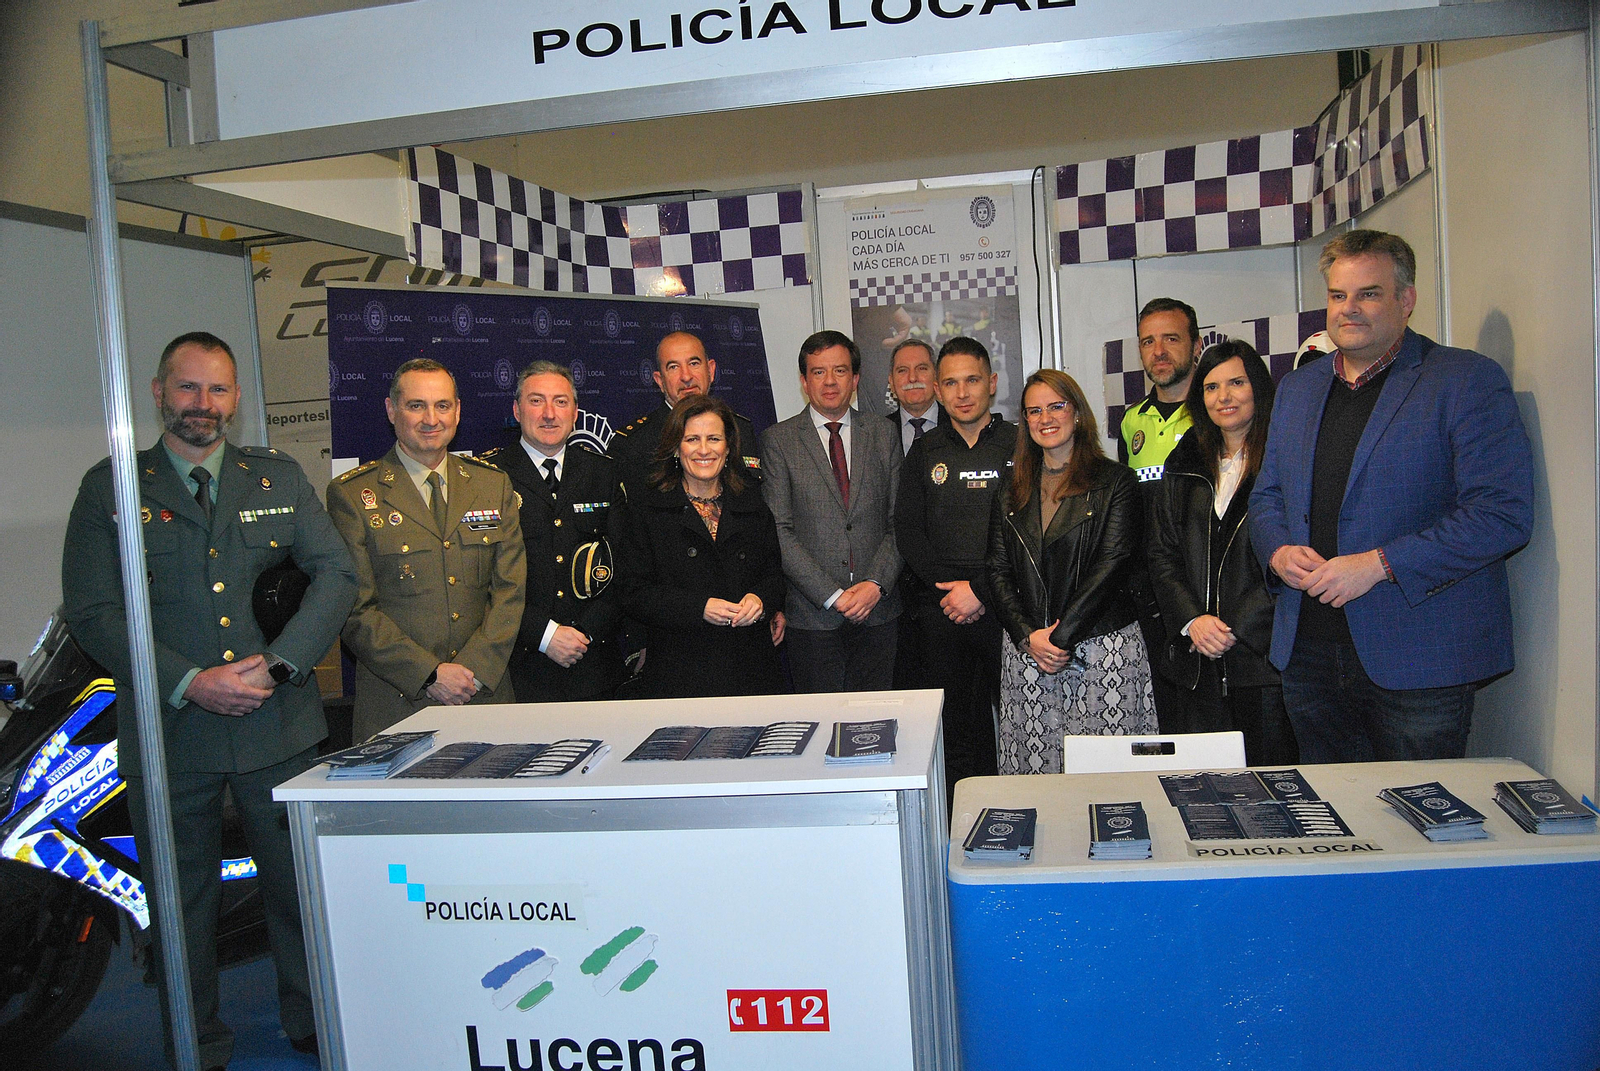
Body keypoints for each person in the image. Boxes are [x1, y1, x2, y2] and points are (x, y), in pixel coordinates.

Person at [61, 331, 358, 1069]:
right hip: (172, 730)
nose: (203, 404)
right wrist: (189, 680)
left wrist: (282, 664)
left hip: (276, 721)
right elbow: (94, 611)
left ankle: (310, 1019)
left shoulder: (278, 477)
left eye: (218, 389)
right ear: (159, 392)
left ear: (235, 398)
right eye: (188, 388)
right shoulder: (114, 488)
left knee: (295, 891)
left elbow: (336, 575)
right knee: (180, 900)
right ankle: (196, 1041)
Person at [1251, 229, 1535, 763]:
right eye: (1337, 296)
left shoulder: (1465, 379)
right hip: (1308, 654)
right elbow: (1266, 497)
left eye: (1368, 294)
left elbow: (1502, 515)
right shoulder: (1297, 389)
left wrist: (1380, 564)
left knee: (1420, 821)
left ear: (1406, 300)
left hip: (1420, 656)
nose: (1348, 309)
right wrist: (1278, 551)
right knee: (1335, 829)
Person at [327, 358, 525, 741]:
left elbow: (510, 592)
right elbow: (354, 608)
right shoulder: (352, 495)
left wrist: (472, 669)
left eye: (443, 405)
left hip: (483, 693)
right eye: (416, 405)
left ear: (458, 411)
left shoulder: (493, 485)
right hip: (399, 703)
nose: (431, 418)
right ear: (391, 410)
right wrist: (430, 674)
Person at [987, 369, 1156, 775]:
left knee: (1106, 786)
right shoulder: (1011, 487)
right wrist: (1029, 637)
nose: (1045, 418)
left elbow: (1112, 566)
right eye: (1034, 411)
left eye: (1056, 406)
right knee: (1035, 785)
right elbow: (997, 569)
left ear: (1077, 413)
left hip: (1101, 653)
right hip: (1028, 653)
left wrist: (1058, 640)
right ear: (1025, 422)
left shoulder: (1116, 482)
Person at [1147, 340, 1297, 766]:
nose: (1223, 397)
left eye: (1236, 383)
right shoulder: (1185, 459)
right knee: (1207, 793)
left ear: (1259, 389)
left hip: (1262, 661)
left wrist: (1234, 625)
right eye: (1211, 387)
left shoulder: (1285, 458)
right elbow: (1161, 553)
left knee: (1272, 790)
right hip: (1196, 662)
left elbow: (1293, 554)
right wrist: (1193, 620)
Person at [896, 336, 1016, 790]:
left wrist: (980, 591)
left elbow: (1030, 534)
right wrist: (952, 590)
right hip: (942, 610)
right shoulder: (924, 451)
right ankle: (964, 825)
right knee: (955, 731)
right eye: (951, 383)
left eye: (972, 380)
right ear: (938, 391)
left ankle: (1017, 813)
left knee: (1015, 722)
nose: (962, 393)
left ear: (992, 384)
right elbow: (908, 529)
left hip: (1006, 607)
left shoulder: (1019, 444)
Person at [762, 330, 904, 693]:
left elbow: (898, 521)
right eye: (818, 372)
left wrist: (875, 585)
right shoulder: (778, 441)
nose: (829, 381)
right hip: (813, 618)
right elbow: (779, 530)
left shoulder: (884, 435)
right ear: (804, 381)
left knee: (874, 729)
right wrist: (834, 595)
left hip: (878, 614)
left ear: (855, 379)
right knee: (820, 729)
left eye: (840, 371)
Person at [616, 395, 785, 698]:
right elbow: (633, 591)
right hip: (681, 671)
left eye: (714, 439)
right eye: (692, 439)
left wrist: (760, 601)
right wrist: (699, 608)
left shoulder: (752, 503)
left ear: (729, 447)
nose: (704, 450)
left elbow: (774, 575)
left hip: (751, 671)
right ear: (676, 448)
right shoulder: (648, 509)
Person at [480, 361, 625, 703]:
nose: (549, 413)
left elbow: (625, 565)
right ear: (516, 410)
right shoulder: (488, 478)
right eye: (536, 401)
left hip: (595, 663)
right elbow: (481, 579)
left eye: (560, 402)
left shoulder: (603, 472)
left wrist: (585, 632)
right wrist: (545, 636)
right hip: (520, 667)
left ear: (575, 412)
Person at [1121, 297, 1203, 734]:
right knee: (1164, 713)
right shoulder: (1132, 421)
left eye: (1171, 338)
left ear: (1196, 345)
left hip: (1205, 587)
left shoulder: (1216, 412)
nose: (1159, 351)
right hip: (1151, 591)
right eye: (1148, 342)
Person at [607, 330, 762, 495]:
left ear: (711, 370)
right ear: (660, 381)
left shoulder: (740, 429)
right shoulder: (633, 443)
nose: (686, 376)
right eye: (673, 367)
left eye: (694, 363)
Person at [885, 338, 946, 456]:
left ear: (936, 376)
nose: (912, 378)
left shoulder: (958, 426)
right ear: (891, 383)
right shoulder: (878, 433)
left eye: (922, 368)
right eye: (902, 370)